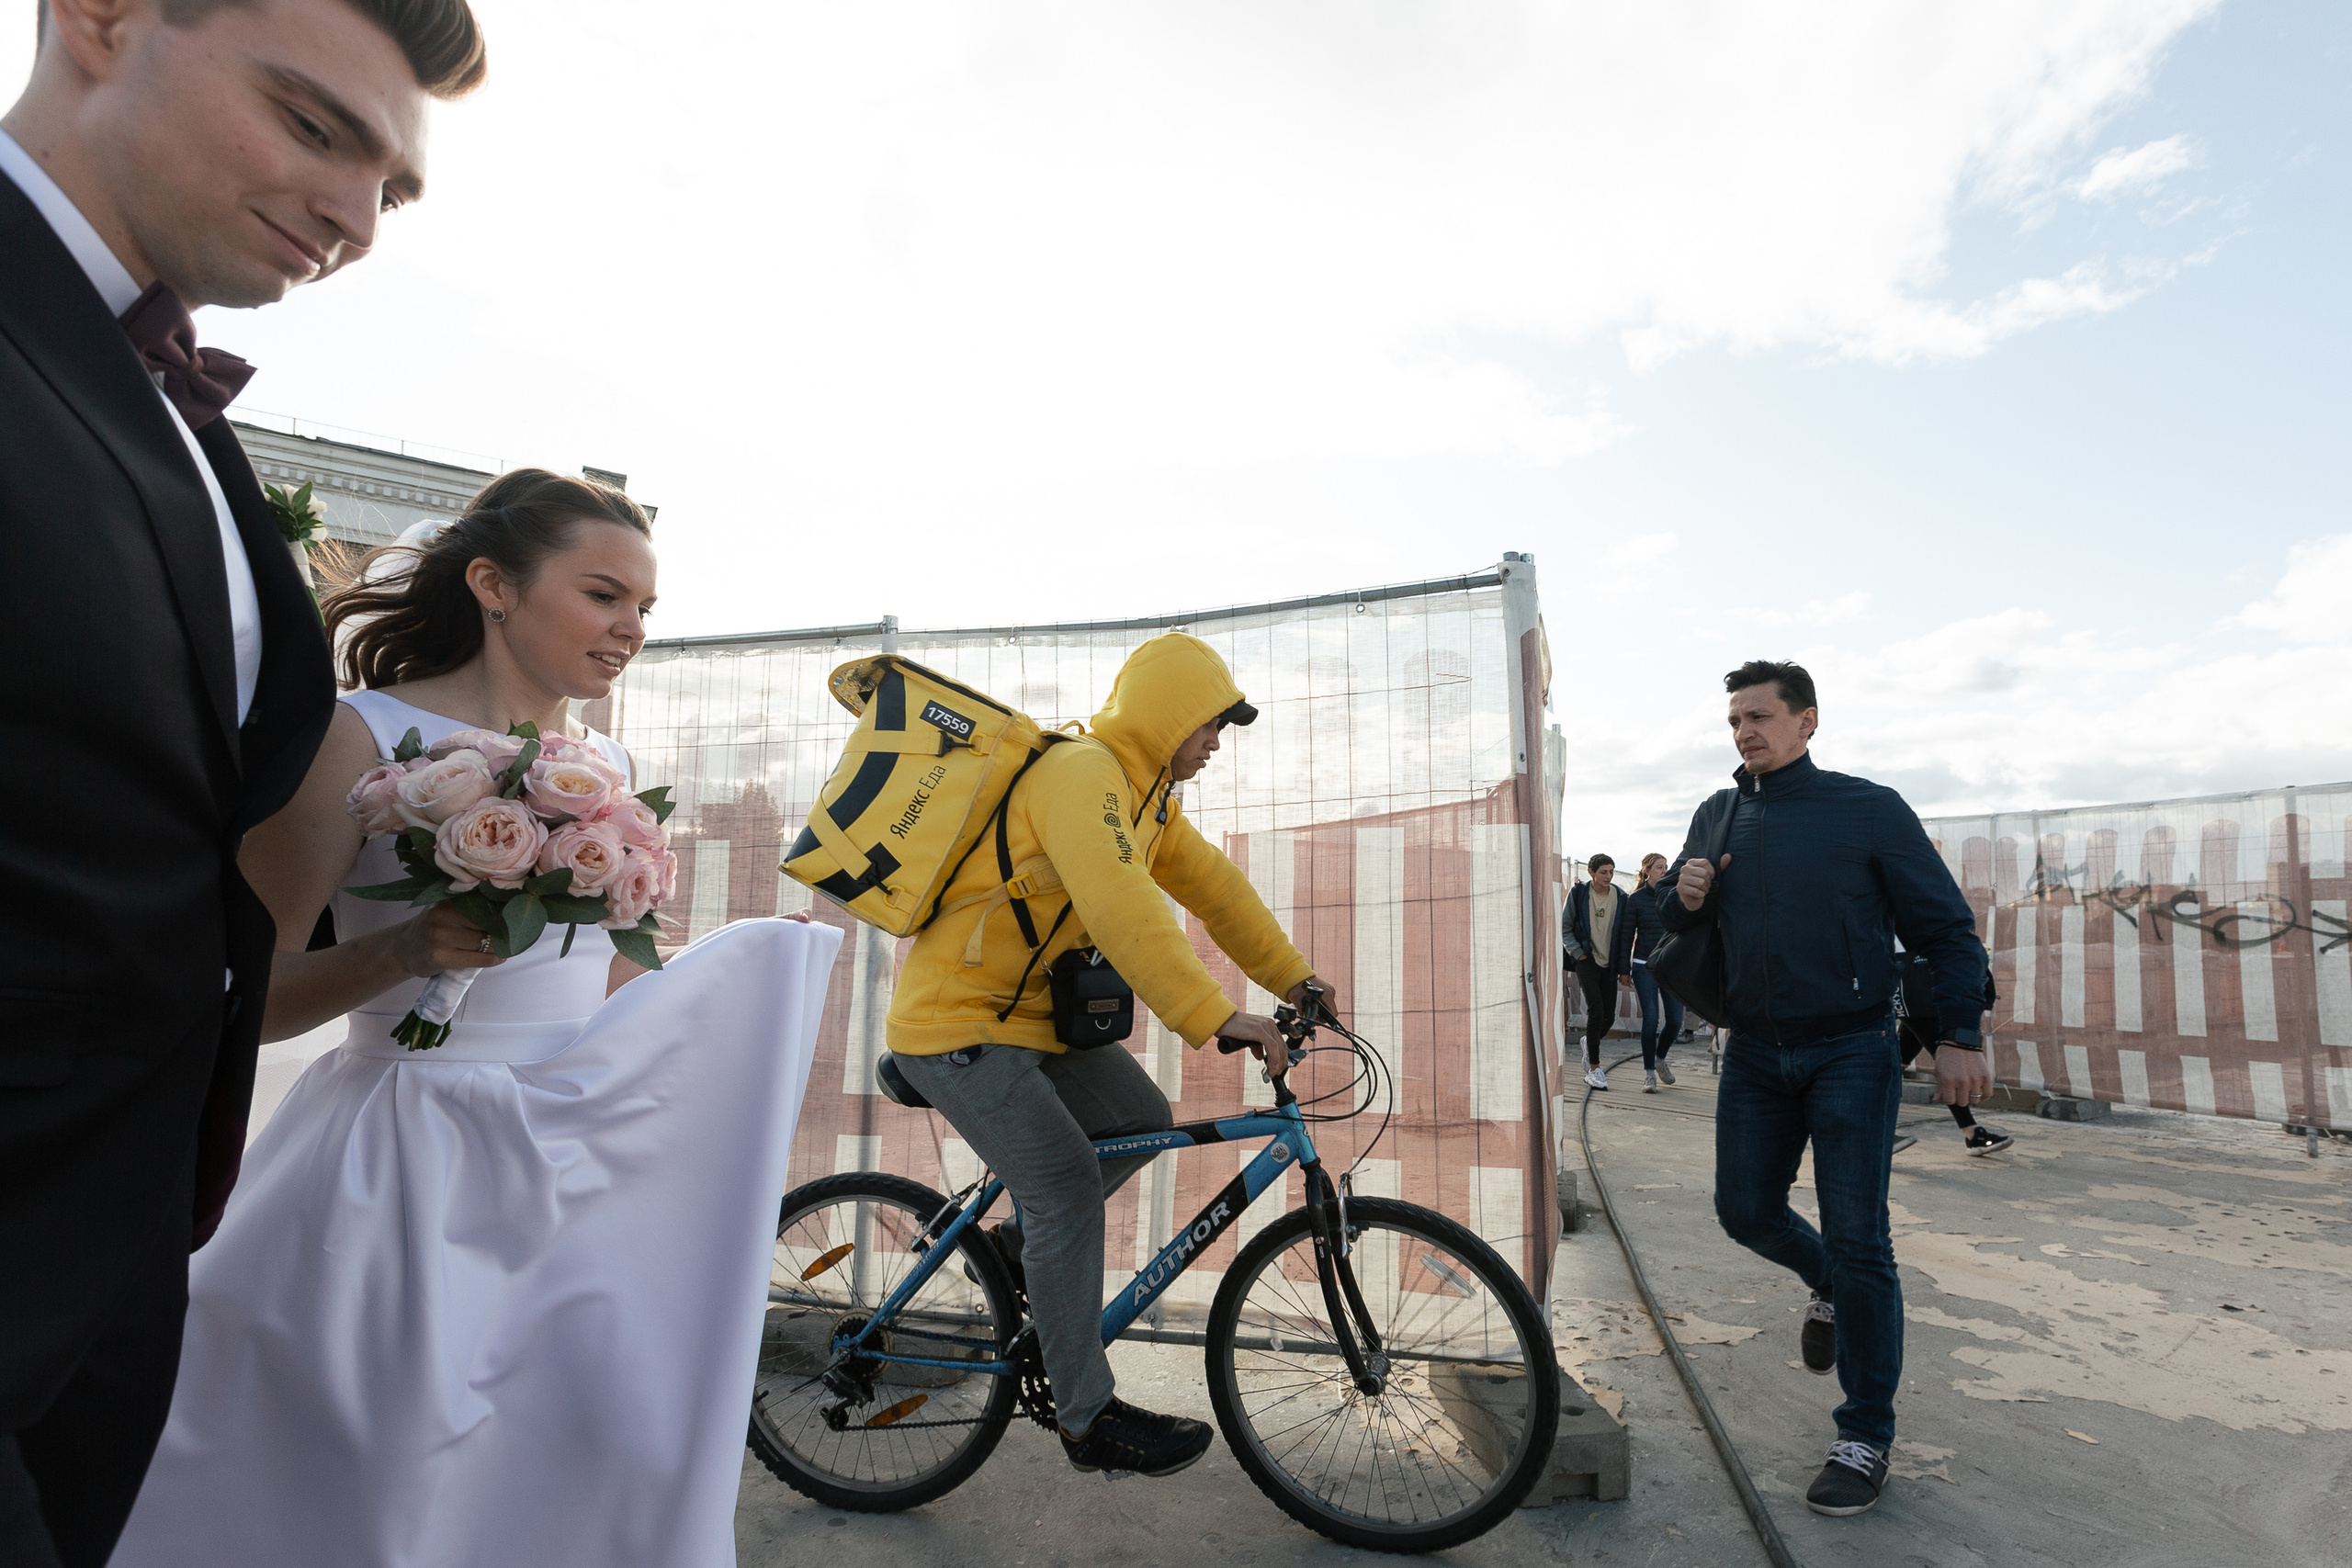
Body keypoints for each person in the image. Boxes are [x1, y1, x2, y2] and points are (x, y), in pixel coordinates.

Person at [109, 474, 842, 1566]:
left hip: (561, 1169)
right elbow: (236, 1004)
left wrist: (729, 1003)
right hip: (399, 1169)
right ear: (493, 584)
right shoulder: (359, 738)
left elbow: (597, 988)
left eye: (646, 608)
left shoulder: (607, 773)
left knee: (557, 1469)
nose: (631, 630)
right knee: (382, 1469)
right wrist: (399, 953)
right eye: (604, 595)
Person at [0, 3, 483, 1562]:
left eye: (391, 186)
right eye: (314, 124)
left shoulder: (188, 429)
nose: (353, 215)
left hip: (103, 1293)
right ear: (103, 17)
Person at [886, 634, 1336, 1479]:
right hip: (956, 1025)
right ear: (1167, 718)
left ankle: (1019, 1253)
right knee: (1063, 1187)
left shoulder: (1148, 800)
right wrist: (1216, 1015)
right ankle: (1086, 1417)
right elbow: (1121, 901)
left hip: (1029, 1022)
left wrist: (1294, 975)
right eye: (1208, 726)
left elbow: (1215, 889)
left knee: (1137, 1119)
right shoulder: (1081, 773)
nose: (1214, 743)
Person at [1663, 660, 1990, 1519]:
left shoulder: (1867, 809)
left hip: (1852, 1052)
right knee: (1745, 1212)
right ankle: (1828, 1286)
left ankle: (1864, 1432)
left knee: (1862, 1239)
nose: (1745, 733)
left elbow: (1946, 928)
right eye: (1734, 720)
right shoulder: (1717, 812)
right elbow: (1680, 925)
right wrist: (1682, 895)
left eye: (1761, 717)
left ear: (1808, 721)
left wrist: (1959, 1034)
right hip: (1757, 1056)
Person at [1894, 946, 2012, 1156]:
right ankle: (1973, 1133)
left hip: (1918, 989)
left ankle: (1876, 1133)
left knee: (1896, 1063)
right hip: (1916, 990)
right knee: (1945, 1054)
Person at [1564, 853, 1635, 1089]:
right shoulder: (1579, 893)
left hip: (1610, 963)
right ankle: (1594, 1069)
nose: (1609, 876)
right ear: (1591, 872)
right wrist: (1578, 953)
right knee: (1595, 1009)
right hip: (1586, 959)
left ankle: (1588, 1040)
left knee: (1609, 1017)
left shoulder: (1621, 897)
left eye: (1612, 871)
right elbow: (1565, 926)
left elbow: (1625, 937)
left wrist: (1624, 969)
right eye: (1603, 872)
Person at [1625, 853, 1684, 1092]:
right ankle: (1649, 1073)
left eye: (1666, 867)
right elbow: (1626, 935)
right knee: (1651, 1019)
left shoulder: (1672, 896)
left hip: (1670, 967)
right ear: (1647, 871)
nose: (1664, 871)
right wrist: (1623, 969)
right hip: (1643, 965)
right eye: (1660, 867)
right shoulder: (1635, 899)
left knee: (1676, 1021)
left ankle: (1660, 1059)